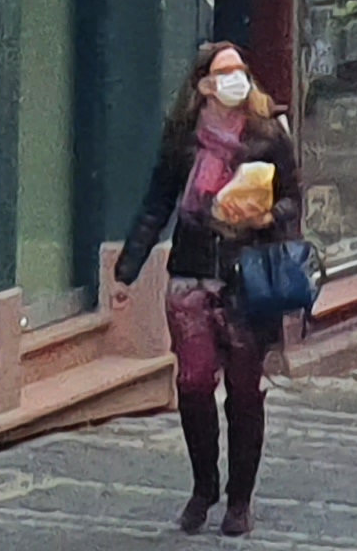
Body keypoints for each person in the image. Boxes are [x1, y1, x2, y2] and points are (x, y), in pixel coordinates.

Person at [112, 42, 302, 538]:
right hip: (191, 275)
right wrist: (127, 269)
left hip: (248, 276)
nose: (237, 79)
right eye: (225, 72)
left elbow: (292, 200)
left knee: (244, 390)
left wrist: (264, 216)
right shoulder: (183, 138)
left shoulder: (267, 134)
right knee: (194, 384)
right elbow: (158, 202)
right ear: (204, 86)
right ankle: (204, 486)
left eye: (241, 69)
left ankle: (240, 499)